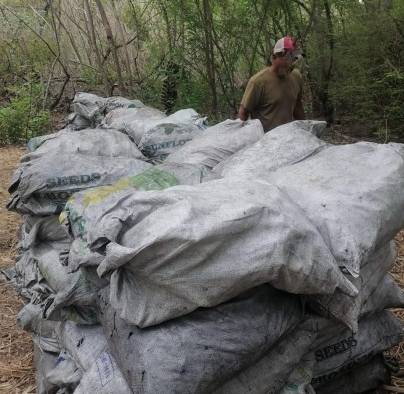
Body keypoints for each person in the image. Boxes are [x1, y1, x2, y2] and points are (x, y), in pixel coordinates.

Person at [238, 36, 305, 132]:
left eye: (293, 58)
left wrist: (305, 131)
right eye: (287, 58)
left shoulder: (296, 76)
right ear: (275, 56)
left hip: (289, 140)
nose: (290, 64)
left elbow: (298, 106)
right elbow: (243, 114)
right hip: (265, 143)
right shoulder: (258, 82)